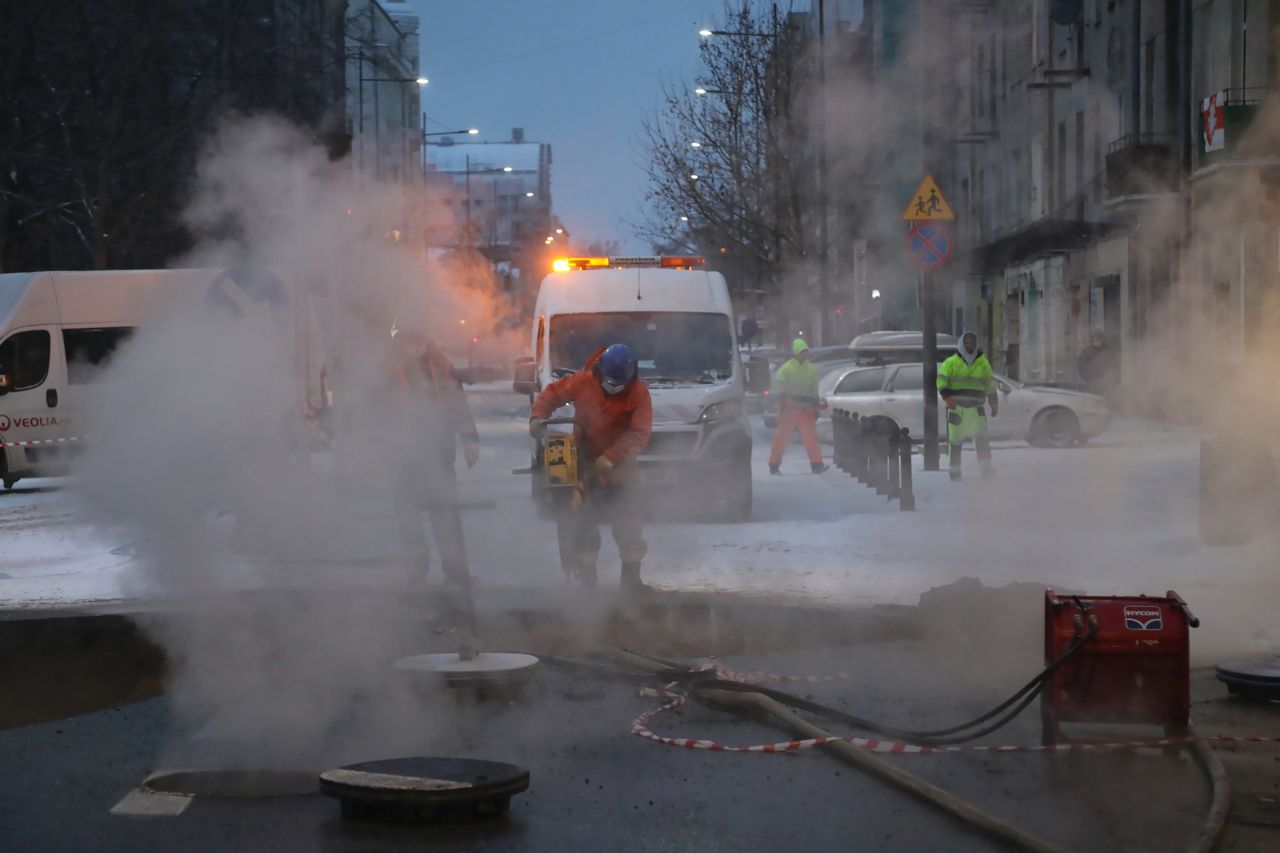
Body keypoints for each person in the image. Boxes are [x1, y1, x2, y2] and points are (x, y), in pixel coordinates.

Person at [529, 343, 653, 594]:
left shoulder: (639, 394)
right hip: (583, 464)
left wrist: (611, 457)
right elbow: (552, 394)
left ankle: (631, 585)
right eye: (609, 382)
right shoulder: (582, 382)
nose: (613, 387)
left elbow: (640, 434)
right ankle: (587, 585)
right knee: (583, 525)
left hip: (622, 470)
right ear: (599, 372)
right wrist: (537, 418)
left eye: (619, 384)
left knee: (628, 525)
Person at [385, 328, 481, 617]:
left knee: (446, 511)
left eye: (421, 339)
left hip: (438, 451)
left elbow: (457, 405)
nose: (417, 346)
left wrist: (470, 439)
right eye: (412, 340)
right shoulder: (387, 368)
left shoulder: (441, 366)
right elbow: (374, 409)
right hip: (402, 455)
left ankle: (456, 572)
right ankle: (416, 572)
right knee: (408, 515)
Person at [937, 330, 997, 481]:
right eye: (966, 343)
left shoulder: (983, 363)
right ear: (961, 344)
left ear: (976, 344)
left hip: (976, 409)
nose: (969, 346)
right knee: (955, 442)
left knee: (982, 440)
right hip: (957, 408)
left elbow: (989, 383)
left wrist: (993, 401)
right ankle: (955, 471)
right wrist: (947, 397)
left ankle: (986, 470)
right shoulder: (951, 363)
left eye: (972, 343)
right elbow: (942, 381)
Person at [768, 338, 827, 475]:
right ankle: (774, 465)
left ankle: (817, 464)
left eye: (805, 352)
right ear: (796, 353)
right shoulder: (787, 368)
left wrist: (815, 405)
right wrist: (782, 401)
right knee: (781, 438)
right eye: (802, 352)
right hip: (790, 407)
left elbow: (814, 389)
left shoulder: (810, 369)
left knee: (811, 437)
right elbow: (779, 387)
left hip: (805, 408)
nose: (804, 355)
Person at [1077, 330, 1118, 398]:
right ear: (1092, 339)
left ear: (1102, 338)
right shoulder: (1087, 352)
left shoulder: (1108, 351)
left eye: (1099, 337)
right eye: (1095, 337)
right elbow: (1081, 367)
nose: (1097, 339)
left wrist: (1113, 379)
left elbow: (1115, 365)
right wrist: (1089, 378)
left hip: (1107, 383)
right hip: (1093, 383)